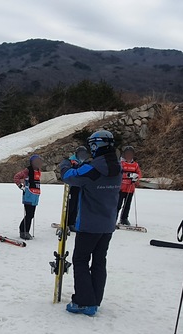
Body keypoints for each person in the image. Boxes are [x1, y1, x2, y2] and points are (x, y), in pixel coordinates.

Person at [59, 130, 122, 316]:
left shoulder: (93, 168)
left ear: (96, 145)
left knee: (80, 260)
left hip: (90, 223)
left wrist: (65, 163)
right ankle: (95, 299)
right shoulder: (117, 166)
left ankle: (85, 302)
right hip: (107, 223)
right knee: (99, 262)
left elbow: (69, 176)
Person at [14, 155, 44, 240]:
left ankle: (25, 231)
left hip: (35, 196)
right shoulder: (27, 170)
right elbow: (16, 177)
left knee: (31, 215)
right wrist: (21, 186)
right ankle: (23, 231)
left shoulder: (38, 171)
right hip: (28, 195)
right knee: (29, 214)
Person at [65, 146, 90, 232]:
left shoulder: (84, 163)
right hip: (72, 187)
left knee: (77, 205)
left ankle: (72, 222)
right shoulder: (71, 161)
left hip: (79, 187)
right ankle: (67, 222)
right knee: (70, 206)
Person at [117, 146, 142, 226]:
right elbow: (117, 174)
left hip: (130, 188)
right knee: (118, 205)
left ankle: (124, 218)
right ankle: (113, 218)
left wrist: (136, 178)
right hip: (120, 188)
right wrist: (127, 175)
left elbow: (139, 174)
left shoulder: (135, 165)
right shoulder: (120, 163)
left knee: (127, 205)